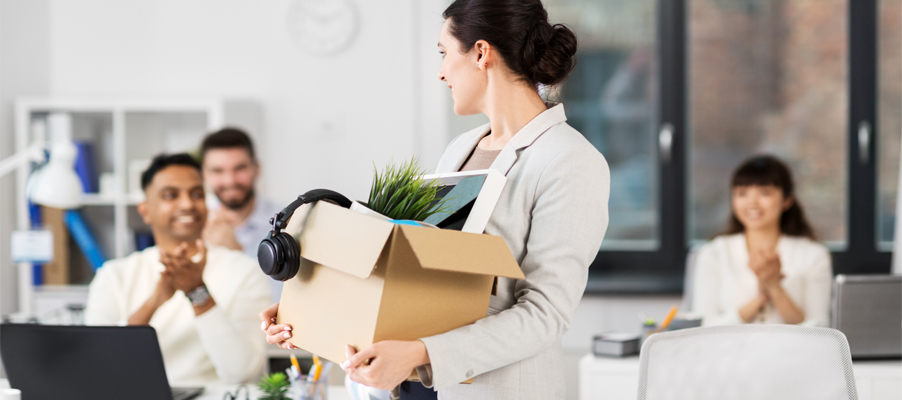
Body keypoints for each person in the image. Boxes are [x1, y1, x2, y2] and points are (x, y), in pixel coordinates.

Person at [260, 0, 610, 398]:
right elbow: (421, 279)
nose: (441, 72)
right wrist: (310, 310)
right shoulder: (461, 148)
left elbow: (544, 315)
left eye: (444, 53)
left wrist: (421, 353)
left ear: (481, 53)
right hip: (419, 387)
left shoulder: (569, 160)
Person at [85, 153, 272, 384]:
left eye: (197, 194)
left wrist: (198, 293)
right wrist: (155, 301)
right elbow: (100, 364)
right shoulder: (114, 276)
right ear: (145, 211)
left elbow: (243, 372)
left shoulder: (244, 271)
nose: (187, 204)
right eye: (170, 195)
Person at [691, 155, 832, 327]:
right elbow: (703, 329)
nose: (752, 202)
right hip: (729, 346)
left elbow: (819, 328)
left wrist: (775, 287)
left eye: (765, 193)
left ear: (787, 200)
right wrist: (759, 300)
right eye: (742, 193)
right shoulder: (713, 253)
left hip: (791, 346)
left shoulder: (814, 255)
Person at [200, 127, 283, 302]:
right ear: (204, 175)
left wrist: (235, 253)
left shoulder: (288, 223)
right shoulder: (196, 224)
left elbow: (284, 298)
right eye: (218, 171)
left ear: (256, 169)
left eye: (239, 168)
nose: (230, 180)